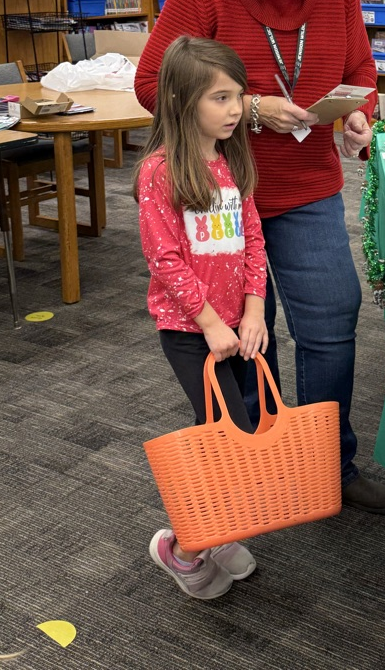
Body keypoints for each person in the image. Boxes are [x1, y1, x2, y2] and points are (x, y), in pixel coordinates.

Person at [135, 0, 385, 516]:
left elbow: (362, 71)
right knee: (237, 336)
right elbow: (152, 83)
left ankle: (329, 465)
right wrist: (249, 107)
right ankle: (265, 464)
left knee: (330, 324)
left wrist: (358, 115)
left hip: (308, 186)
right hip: (222, 193)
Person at [135, 36, 268, 599]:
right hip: (190, 331)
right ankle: (185, 545)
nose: (235, 109)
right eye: (220, 97)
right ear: (181, 99)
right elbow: (163, 258)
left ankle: (216, 530)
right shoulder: (159, 172)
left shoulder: (230, 157)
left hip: (237, 326)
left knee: (230, 429)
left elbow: (253, 239)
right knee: (229, 434)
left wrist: (255, 307)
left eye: (238, 95)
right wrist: (211, 321)